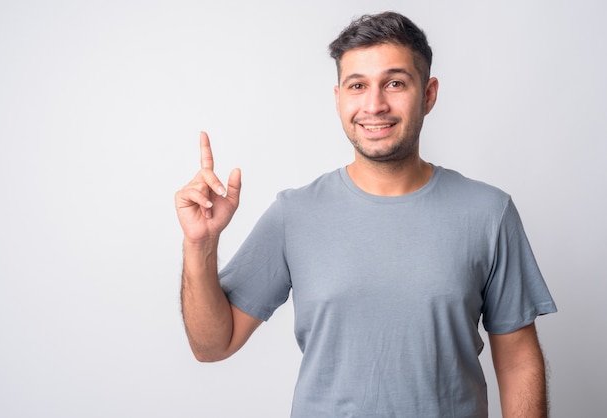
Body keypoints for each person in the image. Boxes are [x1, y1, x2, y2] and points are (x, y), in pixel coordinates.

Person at [175, 11, 557, 418]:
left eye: (395, 83)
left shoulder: (488, 213)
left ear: (428, 95)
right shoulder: (294, 214)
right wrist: (200, 244)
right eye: (358, 85)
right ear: (339, 98)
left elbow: (517, 359)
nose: (374, 105)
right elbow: (212, 345)